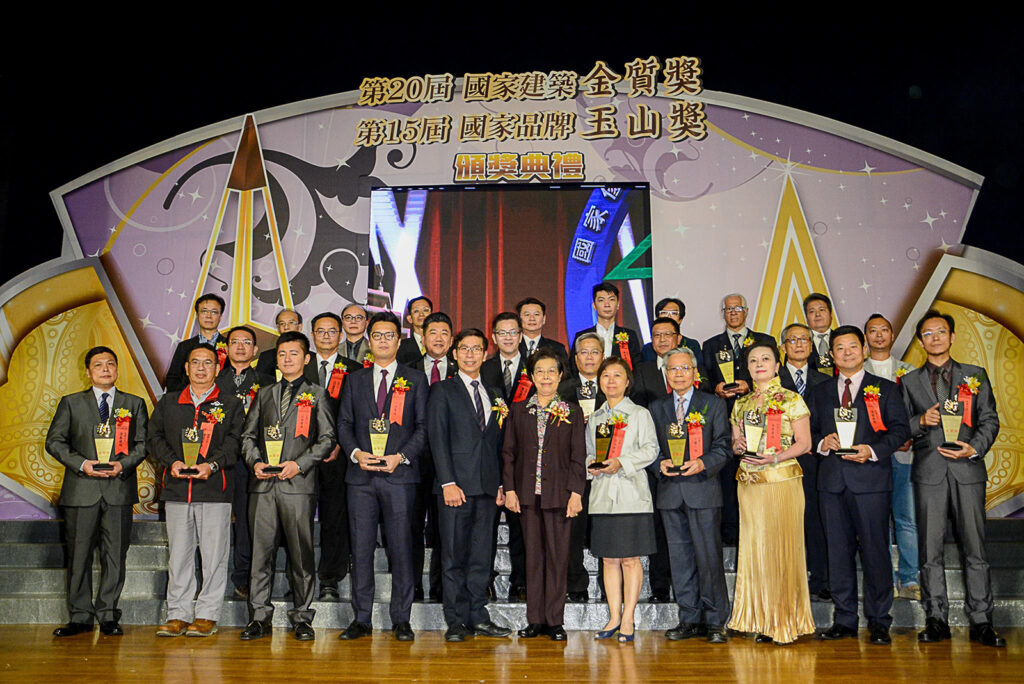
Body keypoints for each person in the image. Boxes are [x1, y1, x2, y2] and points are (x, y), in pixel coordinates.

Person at [901, 310, 1005, 647]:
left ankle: (981, 621)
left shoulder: (975, 376)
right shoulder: (909, 381)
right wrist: (921, 420)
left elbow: (990, 420)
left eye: (941, 332)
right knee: (930, 551)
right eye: (928, 333)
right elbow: (901, 428)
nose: (935, 338)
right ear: (920, 341)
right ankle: (936, 618)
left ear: (953, 336)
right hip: (929, 471)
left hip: (967, 470)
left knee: (975, 548)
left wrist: (972, 449)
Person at [808, 325, 910, 646]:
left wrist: (873, 450)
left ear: (863, 350)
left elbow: (899, 430)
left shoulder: (886, 388)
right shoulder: (820, 391)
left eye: (853, 346)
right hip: (832, 483)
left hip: (871, 483)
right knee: (838, 554)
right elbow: (806, 432)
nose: (847, 352)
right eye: (840, 348)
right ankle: (845, 620)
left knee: (876, 552)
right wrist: (822, 442)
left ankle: (879, 621)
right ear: (832, 354)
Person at [337, 311, 428, 642]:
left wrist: (400, 457)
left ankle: (401, 618)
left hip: (399, 477)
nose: (383, 341)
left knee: (401, 548)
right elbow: (344, 425)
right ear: (368, 341)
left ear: (399, 340)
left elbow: (422, 427)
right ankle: (361, 618)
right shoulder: (354, 380)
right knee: (361, 550)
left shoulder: (415, 379)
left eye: (390, 335)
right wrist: (357, 454)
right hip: (360, 479)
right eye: (377, 335)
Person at [45, 346, 149, 637]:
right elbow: (54, 442)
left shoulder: (134, 403)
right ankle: (79, 616)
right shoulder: (71, 403)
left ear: (117, 369)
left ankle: (107, 615)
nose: (105, 369)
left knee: (115, 555)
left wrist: (122, 465)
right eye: (99, 365)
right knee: (79, 555)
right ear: (88, 372)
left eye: (111, 364)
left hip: (118, 490)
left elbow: (143, 444)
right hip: (81, 490)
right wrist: (82, 463)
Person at [239, 331, 334, 642]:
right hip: (263, 485)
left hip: (298, 484)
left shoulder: (317, 393)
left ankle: (303, 618)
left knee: (301, 555)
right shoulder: (263, 394)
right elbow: (248, 436)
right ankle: (259, 616)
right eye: (282, 354)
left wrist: (300, 463)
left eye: (294, 354)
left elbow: (327, 439)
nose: (287, 359)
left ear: (306, 359)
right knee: (260, 554)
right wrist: (255, 462)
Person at [150, 344, 245, 637]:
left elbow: (235, 441)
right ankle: (178, 613)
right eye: (196, 363)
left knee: (214, 556)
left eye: (208, 363)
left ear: (218, 369)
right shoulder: (168, 403)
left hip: (214, 488)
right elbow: (153, 438)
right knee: (179, 554)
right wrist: (172, 462)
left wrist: (213, 465)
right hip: (177, 488)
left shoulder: (230, 403)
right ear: (186, 368)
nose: (201, 368)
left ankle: (206, 614)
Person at [727, 343, 815, 644]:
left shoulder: (791, 399)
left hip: (781, 481)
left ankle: (784, 622)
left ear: (778, 365)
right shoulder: (741, 403)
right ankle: (759, 619)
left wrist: (773, 458)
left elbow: (804, 444)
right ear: (747, 368)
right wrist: (738, 446)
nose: (759, 364)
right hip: (749, 484)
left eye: (765, 359)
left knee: (781, 549)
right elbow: (737, 442)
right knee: (755, 550)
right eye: (753, 360)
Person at [429, 329, 513, 642]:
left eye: (477, 349)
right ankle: (455, 621)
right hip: (455, 488)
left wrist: (503, 483)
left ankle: (479, 615)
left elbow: (501, 443)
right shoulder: (443, 390)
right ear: (454, 353)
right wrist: (448, 481)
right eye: (464, 348)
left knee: (481, 556)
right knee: (453, 557)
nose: (470, 354)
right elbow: (437, 440)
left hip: (488, 488)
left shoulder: (495, 393)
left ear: (484, 353)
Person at [503, 348, 587, 641]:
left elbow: (579, 456)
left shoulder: (572, 412)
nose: (546, 376)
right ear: (532, 376)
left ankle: (555, 620)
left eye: (552, 371)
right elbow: (509, 454)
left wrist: (576, 492)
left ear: (561, 375)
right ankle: (535, 619)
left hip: (559, 496)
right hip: (527, 496)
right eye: (540, 371)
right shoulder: (519, 411)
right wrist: (510, 489)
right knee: (533, 558)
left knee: (558, 557)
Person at [648, 347, 731, 643]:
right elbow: (649, 448)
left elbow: (724, 445)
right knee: (679, 559)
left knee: (708, 557)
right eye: (673, 369)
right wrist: (660, 464)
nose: (679, 374)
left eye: (685, 368)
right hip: (670, 493)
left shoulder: (713, 404)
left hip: (703, 490)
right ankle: (689, 617)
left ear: (695, 373)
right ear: (666, 374)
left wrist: (704, 462)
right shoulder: (656, 408)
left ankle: (715, 620)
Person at [586, 357, 659, 644]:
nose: (611, 381)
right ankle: (613, 616)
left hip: (631, 494)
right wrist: (592, 463)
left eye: (617, 376)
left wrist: (622, 462)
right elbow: (587, 453)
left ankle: (628, 617)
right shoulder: (595, 417)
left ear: (628, 382)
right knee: (608, 559)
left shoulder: (639, 414)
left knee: (630, 559)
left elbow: (651, 449)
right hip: (603, 495)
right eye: (606, 376)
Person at [701, 293, 775, 545]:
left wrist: (750, 384)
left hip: (759, 418)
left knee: (758, 472)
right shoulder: (711, 345)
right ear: (723, 313)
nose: (733, 312)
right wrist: (716, 387)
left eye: (738, 308)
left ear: (746, 311)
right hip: (723, 419)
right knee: (727, 478)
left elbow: (777, 376)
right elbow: (703, 379)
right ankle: (730, 535)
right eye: (728, 309)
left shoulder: (765, 341)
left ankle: (758, 532)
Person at [863, 313, 920, 600]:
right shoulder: (858, 371)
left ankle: (910, 579)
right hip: (873, 457)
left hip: (904, 454)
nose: (879, 335)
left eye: (884, 330)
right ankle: (884, 578)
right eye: (872, 331)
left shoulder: (909, 371)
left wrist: (906, 437)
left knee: (906, 518)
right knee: (877, 521)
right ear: (866, 338)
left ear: (893, 335)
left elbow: (919, 412)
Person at [304, 312, 359, 602]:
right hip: (300, 457)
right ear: (312, 335)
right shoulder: (300, 364)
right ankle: (300, 579)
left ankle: (330, 578)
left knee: (334, 518)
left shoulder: (354, 368)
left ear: (340, 335)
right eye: (320, 331)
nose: (326, 336)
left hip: (337, 456)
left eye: (331, 331)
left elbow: (355, 413)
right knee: (298, 520)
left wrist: (339, 444)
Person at [777, 322, 832, 602]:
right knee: (785, 523)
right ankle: (787, 579)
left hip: (815, 462)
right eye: (792, 340)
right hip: (779, 463)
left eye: (804, 340)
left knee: (815, 521)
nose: (798, 344)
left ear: (811, 346)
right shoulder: (772, 381)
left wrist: (817, 441)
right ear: (783, 347)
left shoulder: (825, 381)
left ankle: (821, 579)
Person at [480, 311, 529, 601]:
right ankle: (483, 580)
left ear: (520, 336)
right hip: (488, 457)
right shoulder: (482, 369)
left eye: (514, 332)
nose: (508, 337)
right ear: (494, 337)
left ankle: (520, 582)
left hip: (523, 459)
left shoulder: (535, 368)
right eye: (502, 333)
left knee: (520, 527)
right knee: (485, 527)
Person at [410, 311, 458, 602]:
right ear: (422, 338)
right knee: (412, 526)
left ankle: (441, 586)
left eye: (444, 333)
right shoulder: (408, 369)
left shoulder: (462, 369)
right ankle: (413, 584)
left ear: (451, 340)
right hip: (414, 460)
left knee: (444, 528)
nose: (438, 338)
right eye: (433, 333)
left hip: (450, 462)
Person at [556, 332, 605, 603]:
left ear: (603, 356)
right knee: (573, 532)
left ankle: (610, 587)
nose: (589, 357)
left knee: (605, 530)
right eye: (583, 352)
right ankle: (576, 584)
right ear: (575, 358)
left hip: (608, 472)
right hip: (573, 472)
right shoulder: (563, 390)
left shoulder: (614, 385)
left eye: (594, 352)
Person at [215, 325, 262, 600]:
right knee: (214, 522)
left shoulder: (267, 380)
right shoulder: (212, 379)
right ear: (227, 348)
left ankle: (243, 576)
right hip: (219, 461)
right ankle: (210, 579)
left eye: (247, 342)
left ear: (255, 350)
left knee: (247, 521)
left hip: (251, 463)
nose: (241, 347)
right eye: (235, 342)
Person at [573, 282, 641, 370]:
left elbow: (637, 367)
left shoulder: (629, 335)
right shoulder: (582, 336)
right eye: (601, 300)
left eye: (611, 300)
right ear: (594, 305)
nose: (607, 305)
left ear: (618, 304)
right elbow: (573, 367)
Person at [166, 294, 226, 392]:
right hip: (189, 402)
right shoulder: (184, 346)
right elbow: (173, 380)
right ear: (197, 315)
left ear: (220, 317)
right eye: (204, 311)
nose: (209, 316)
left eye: (214, 312)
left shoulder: (230, 345)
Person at [639, 298, 704, 368]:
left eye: (674, 313)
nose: (668, 316)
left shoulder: (692, 345)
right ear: (657, 317)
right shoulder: (648, 349)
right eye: (664, 312)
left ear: (680, 319)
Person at [255, 308, 303, 385]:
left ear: (300, 327)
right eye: (282, 323)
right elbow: (260, 386)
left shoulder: (311, 357)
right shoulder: (266, 357)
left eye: (291, 322)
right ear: (278, 328)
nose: (286, 327)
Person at [803, 292, 836, 374]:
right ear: (806, 317)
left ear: (831, 314)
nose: (817, 314)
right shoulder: (800, 343)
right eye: (812, 311)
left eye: (822, 310)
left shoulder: (841, 338)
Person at [397, 295, 433, 365]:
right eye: (416, 311)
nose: (421, 314)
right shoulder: (400, 347)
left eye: (425, 310)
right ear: (409, 319)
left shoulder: (441, 344)